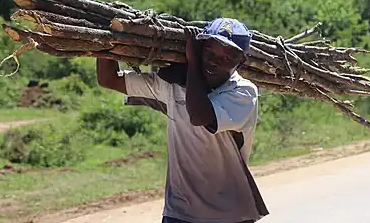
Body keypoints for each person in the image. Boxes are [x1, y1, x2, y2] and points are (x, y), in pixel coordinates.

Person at [96, 17, 269, 223]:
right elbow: (109, 79)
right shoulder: (172, 85)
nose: (214, 61)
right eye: (209, 52)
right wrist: (109, 40)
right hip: (180, 211)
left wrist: (194, 61)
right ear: (201, 48)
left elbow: (199, 115)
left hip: (230, 214)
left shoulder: (243, 92)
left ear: (241, 62)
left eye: (227, 58)